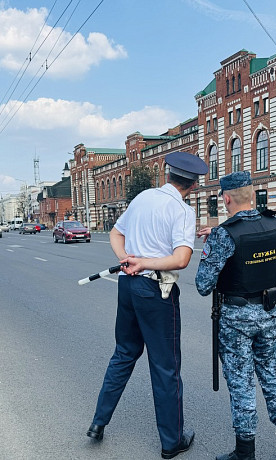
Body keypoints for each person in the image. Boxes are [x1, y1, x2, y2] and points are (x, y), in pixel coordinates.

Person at [87, 151, 208, 459]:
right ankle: (171, 442)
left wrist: (126, 260)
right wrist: (145, 263)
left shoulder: (142, 197)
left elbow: (116, 233)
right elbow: (181, 259)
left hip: (127, 287)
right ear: (192, 185)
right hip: (156, 291)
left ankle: (98, 423)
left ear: (167, 175)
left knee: (124, 353)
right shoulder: (182, 211)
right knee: (165, 366)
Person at [195, 171, 276, 460]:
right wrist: (216, 236)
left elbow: (203, 285)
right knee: (272, 376)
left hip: (236, 319)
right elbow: (248, 236)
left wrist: (213, 243)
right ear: (253, 195)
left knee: (242, 384)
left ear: (226, 198)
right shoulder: (275, 224)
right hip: (268, 313)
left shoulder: (223, 235)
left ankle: (245, 453)